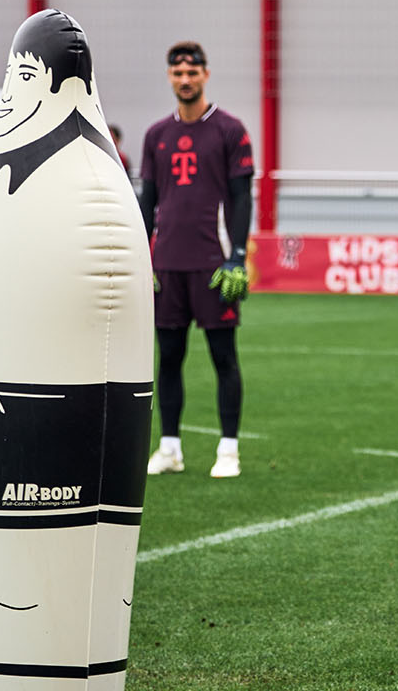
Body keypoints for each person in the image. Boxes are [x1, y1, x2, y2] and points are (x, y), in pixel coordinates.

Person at [139, 42, 256, 478]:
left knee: (223, 357)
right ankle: (170, 448)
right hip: (167, 263)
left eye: (192, 72)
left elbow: (242, 197)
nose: (185, 80)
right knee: (168, 358)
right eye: (177, 73)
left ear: (206, 74)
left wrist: (238, 254)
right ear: (169, 77)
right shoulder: (156, 135)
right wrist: (141, 258)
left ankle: (228, 450)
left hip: (213, 264)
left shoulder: (230, 130)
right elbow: (147, 201)